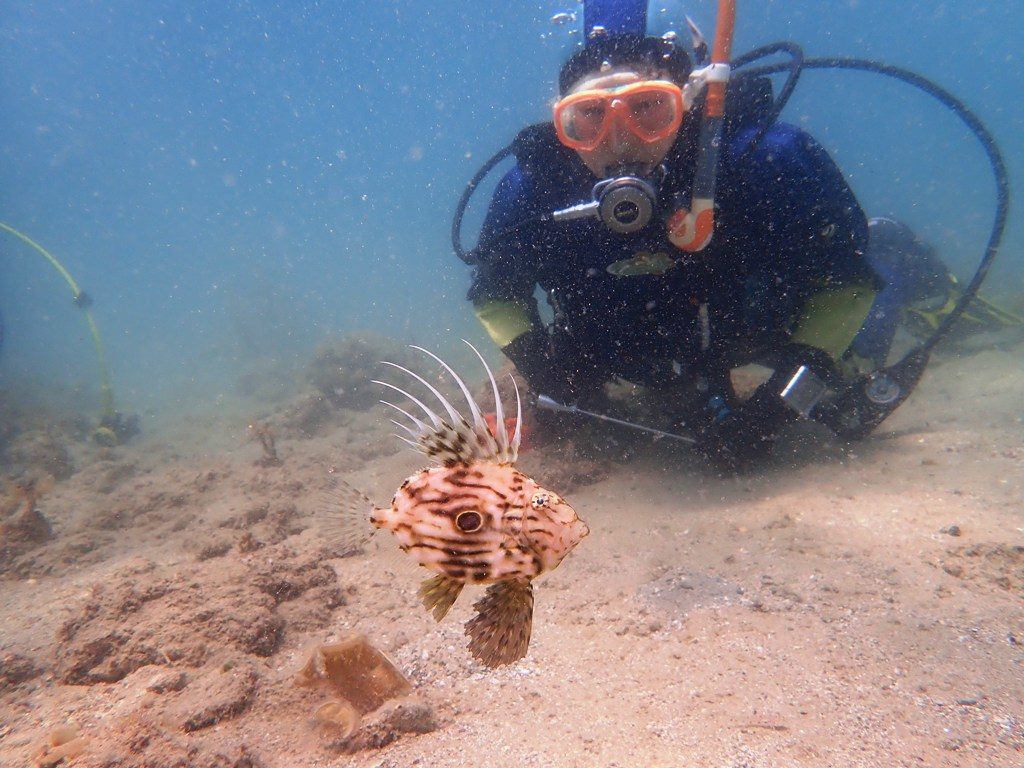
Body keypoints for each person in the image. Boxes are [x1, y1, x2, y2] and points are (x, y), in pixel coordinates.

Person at [462, 1, 934, 469]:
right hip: (619, 343)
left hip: (754, 326)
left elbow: (844, 285)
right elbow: (495, 295)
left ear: (688, 103)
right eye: (589, 115)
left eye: (649, 108)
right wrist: (543, 370)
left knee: (857, 357)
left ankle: (896, 250)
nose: (619, 138)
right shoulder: (532, 190)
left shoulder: (765, 160)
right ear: (561, 123)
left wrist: (781, 407)